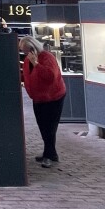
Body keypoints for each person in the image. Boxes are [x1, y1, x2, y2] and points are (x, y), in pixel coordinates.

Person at [20, 35, 66, 168]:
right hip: (38, 98)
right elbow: (27, 76)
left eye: (26, 50)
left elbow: (50, 76)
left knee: (49, 128)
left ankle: (49, 156)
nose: (25, 53)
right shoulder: (28, 60)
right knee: (42, 126)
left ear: (33, 48)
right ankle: (51, 154)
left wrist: (36, 64)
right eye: (23, 51)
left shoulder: (47, 57)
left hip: (53, 97)